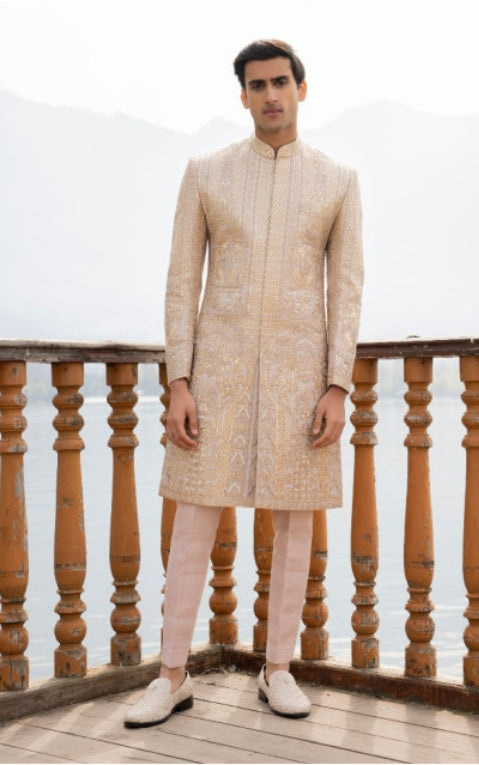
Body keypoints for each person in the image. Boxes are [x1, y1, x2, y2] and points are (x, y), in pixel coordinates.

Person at [124, 39, 363, 728]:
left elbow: (347, 289)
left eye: (280, 82)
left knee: (294, 522)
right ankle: (171, 675)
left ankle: (278, 668)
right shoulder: (206, 173)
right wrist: (179, 380)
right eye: (257, 85)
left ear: (301, 89)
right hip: (217, 374)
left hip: (300, 375)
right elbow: (181, 282)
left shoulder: (337, 180)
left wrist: (337, 385)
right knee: (193, 521)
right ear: (243, 95)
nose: (270, 95)